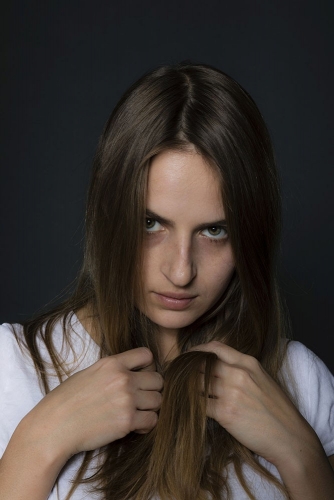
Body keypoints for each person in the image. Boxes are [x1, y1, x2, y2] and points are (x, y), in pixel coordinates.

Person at [0, 62, 333, 500]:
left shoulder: (301, 382)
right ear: (109, 216)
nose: (180, 272)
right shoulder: (16, 369)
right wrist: (37, 442)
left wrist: (302, 456)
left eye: (215, 231)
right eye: (151, 223)